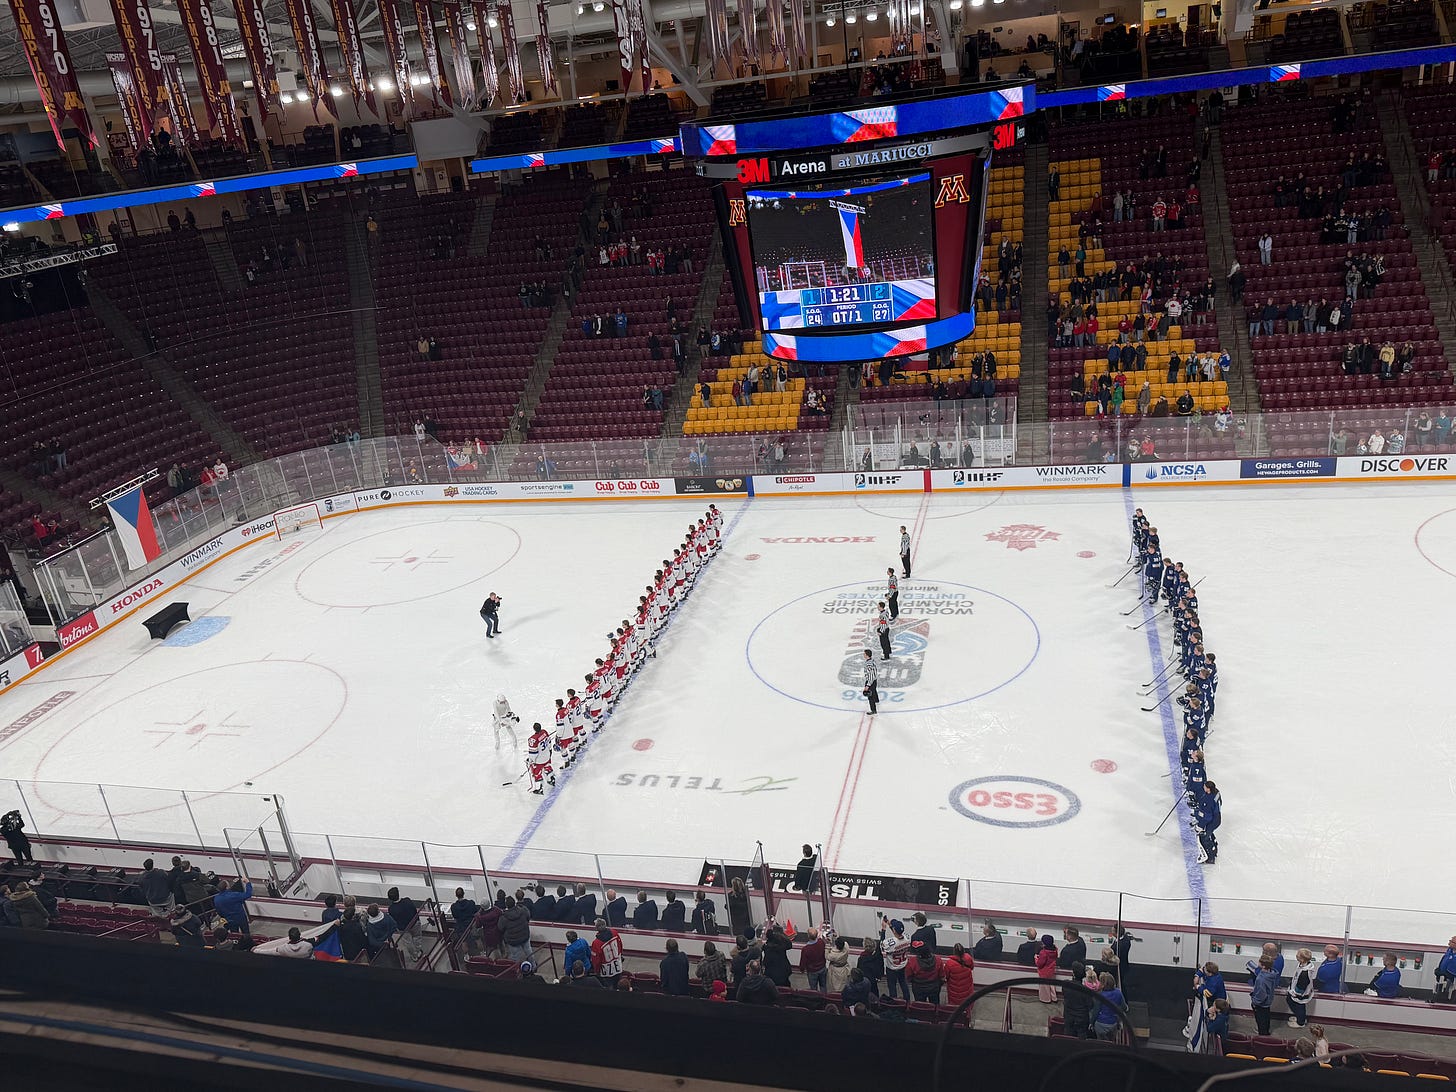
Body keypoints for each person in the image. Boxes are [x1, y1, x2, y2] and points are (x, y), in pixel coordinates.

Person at [388, 886, 424, 963]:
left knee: (408, 942)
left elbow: (394, 919)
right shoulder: (407, 901)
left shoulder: (391, 909)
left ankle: (414, 956)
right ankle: (418, 951)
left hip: (403, 928)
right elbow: (414, 910)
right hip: (414, 923)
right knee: (417, 937)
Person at [881, 917, 911, 999]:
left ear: (894, 930)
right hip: (902, 965)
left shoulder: (889, 943)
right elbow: (898, 935)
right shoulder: (907, 938)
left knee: (892, 986)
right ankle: (907, 1001)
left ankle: (894, 1002)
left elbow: (882, 945)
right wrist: (891, 926)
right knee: (903, 983)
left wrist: (883, 929)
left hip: (892, 968)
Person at [1063, 962, 1095, 1038]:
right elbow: (1091, 1005)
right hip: (1082, 1019)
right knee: (1081, 1038)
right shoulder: (1086, 991)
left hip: (1068, 1017)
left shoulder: (1066, 985)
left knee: (1068, 1037)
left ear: (1073, 974)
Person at [591, 918, 624, 988]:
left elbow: (596, 960)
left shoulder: (596, 943)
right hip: (618, 967)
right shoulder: (615, 933)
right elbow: (620, 946)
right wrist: (620, 957)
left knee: (609, 990)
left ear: (596, 928)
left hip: (606, 972)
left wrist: (596, 971)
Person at [1287, 948, 1316, 1027]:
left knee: (1299, 1006)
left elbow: (1302, 985)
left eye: (1298, 956)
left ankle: (1300, 1022)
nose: (1296, 956)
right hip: (1296, 988)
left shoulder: (1305, 973)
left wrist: (1296, 993)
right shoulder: (1303, 965)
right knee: (1291, 1001)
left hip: (1300, 992)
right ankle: (1300, 1017)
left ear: (1302, 959)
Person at [1093, 972, 1126, 1041]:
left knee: (1101, 1042)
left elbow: (1096, 1011)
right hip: (1113, 1023)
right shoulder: (1118, 992)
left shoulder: (1100, 995)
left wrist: (1091, 1022)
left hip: (1100, 1023)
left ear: (1102, 984)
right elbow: (1124, 1007)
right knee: (1111, 1042)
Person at [1249, 953, 1277, 1034]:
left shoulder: (1261, 979)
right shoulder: (1271, 974)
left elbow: (1261, 994)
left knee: (1260, 1019)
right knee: (1266, 1017)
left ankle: (1262, 1034)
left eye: (1259, 962)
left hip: (1261, 1003)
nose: (1258, 963)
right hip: (1268, 1001)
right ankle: (1266, 1031)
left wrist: (1255, 1002)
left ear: (1263, 966)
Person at [501, 895, 532, 962]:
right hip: (524, 935)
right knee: (528, 950)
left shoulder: (503, 917)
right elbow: (528, 917)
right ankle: (533, 964)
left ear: (506, 905)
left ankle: (516, 968)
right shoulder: (523, 910)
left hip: (513, 940)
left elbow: (500, 928)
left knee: (515, 956)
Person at [762, 922, 794, 987]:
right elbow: (789, 944)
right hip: (784, 971)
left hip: (773, 974)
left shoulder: (767, 948)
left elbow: (765, 962)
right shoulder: (781, 945)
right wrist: (781, 934)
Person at [1035, 935, 1059, 1003]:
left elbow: (1040, 964)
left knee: (1044, 987)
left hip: (1044, 971)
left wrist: (1036, 958)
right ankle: (1054, 998)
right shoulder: (1055, 949)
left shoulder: (1043, 952)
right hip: (1051, 969)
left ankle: (1046, 999)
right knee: (1052, 985)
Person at [862, 649, 879, 716]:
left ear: (867, 655)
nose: (863, 655)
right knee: (874, 691)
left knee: (870, 697)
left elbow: (871, 675)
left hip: (870, 681)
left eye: (864, 654)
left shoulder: (869, 664)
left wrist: (867, 685)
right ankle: (876, 700)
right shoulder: (872, 660)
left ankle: (873, 710)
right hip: (874, 680)